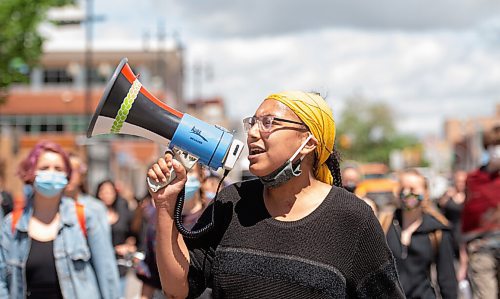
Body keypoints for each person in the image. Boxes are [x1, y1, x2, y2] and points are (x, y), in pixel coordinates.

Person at [148, 91, 405, 298]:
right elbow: (176, 289)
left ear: (309, 142)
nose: (252, 133)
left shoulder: (352, 218)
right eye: (252, 122)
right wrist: (165, 206)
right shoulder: (232, 202)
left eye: (269, 123)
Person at [0, 140, 120, 298]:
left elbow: (107, 274)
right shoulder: (12, 224)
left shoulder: (85, 217)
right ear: (30, 172)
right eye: (44, 168)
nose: (51, 173)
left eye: (58, 169)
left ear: (67, 175)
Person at [137, 164, 212, 299]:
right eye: (176, 173)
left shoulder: (212, 218)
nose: (182, 177)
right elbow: (150, 272)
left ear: (201, 178)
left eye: (188, 172)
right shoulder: (158, 219)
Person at [383, 169, 457, 298]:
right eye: (402, 189)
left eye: (412, 189)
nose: (406, 193)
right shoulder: (384, 224)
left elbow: (447, 279)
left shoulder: (437, 232)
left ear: (425, 193)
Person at [460, 125, 500, 298]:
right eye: (495, 145)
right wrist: (463, 254)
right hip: (482, 246)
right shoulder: (474, 179)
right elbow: (468, 216)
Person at [96, 179, 137, 298]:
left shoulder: (123, 211)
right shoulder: (92, 214)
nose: (106, 195)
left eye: (110, 192)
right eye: (103, 191)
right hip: (99, 263)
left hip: (120, 264)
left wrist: (128, 246)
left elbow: (133, 233)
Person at [64, 153, 110, 234]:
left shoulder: (95, 207)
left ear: (82, 175)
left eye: (73, 170)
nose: (68, 175)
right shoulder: (51, 207)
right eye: (65, 170)